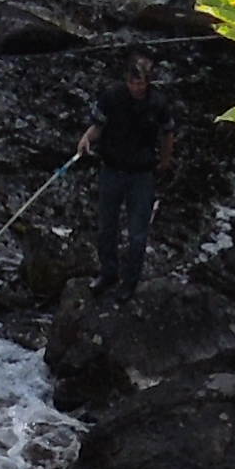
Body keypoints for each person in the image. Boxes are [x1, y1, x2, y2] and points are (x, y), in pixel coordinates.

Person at [77, 53, 171, 295]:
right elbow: (98, 125)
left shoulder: (158, 103)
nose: (136, 87)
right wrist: (86, 139)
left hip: (142, 175)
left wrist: (165, 160)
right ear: (126, 80)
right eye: (132, 82)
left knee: (137, 235)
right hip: (111, 170)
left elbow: (167, 133)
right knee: (106, 228)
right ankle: (108, 274)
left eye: (141, 83)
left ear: (148, 82)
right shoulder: (111, 97)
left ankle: (129, 283)